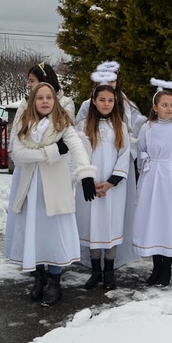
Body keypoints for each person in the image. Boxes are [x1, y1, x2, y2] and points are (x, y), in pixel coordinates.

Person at [4, 82, 97, 306]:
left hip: (54, 189)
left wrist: (85, 175)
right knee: (34, 233)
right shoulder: (24, 124)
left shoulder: (62, 124)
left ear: (55, 101)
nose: (45, 101)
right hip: (30, 189)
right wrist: (53, 151)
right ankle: (39, 277)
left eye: (49, 97)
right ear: (32, 101)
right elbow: (19, 154)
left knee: (53, 235)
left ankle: (54, 281)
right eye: (40, 98)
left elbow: (76, 147)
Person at [132, 86, 172, 287]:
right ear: (155, 107)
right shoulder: (147, 128)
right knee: (153, 219)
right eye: (164, 105)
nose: (169, 109)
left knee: (169, 220)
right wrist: (146, 170)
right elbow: (141, 151)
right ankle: (156, 266)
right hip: (152, 177)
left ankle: (166, 268)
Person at [75, 74, 130, 290]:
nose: (106, 104)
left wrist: (111, 182)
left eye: (110, 100)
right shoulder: (82, 126)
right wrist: (87, 178)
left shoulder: (121, 126)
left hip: (112, 188)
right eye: (102, 100)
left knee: (110, 225)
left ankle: (109, 271)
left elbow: (124, 154)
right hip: (89, 186)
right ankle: (95, 270)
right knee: (93, 226)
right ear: (94, 101)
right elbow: (77, 154)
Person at [13, 62, 75, 126]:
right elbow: (16, 129)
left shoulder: (65, 103)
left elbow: (67, 127)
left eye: (32, 81)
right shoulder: (26, 102)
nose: (29, 85)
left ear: (43, 81)